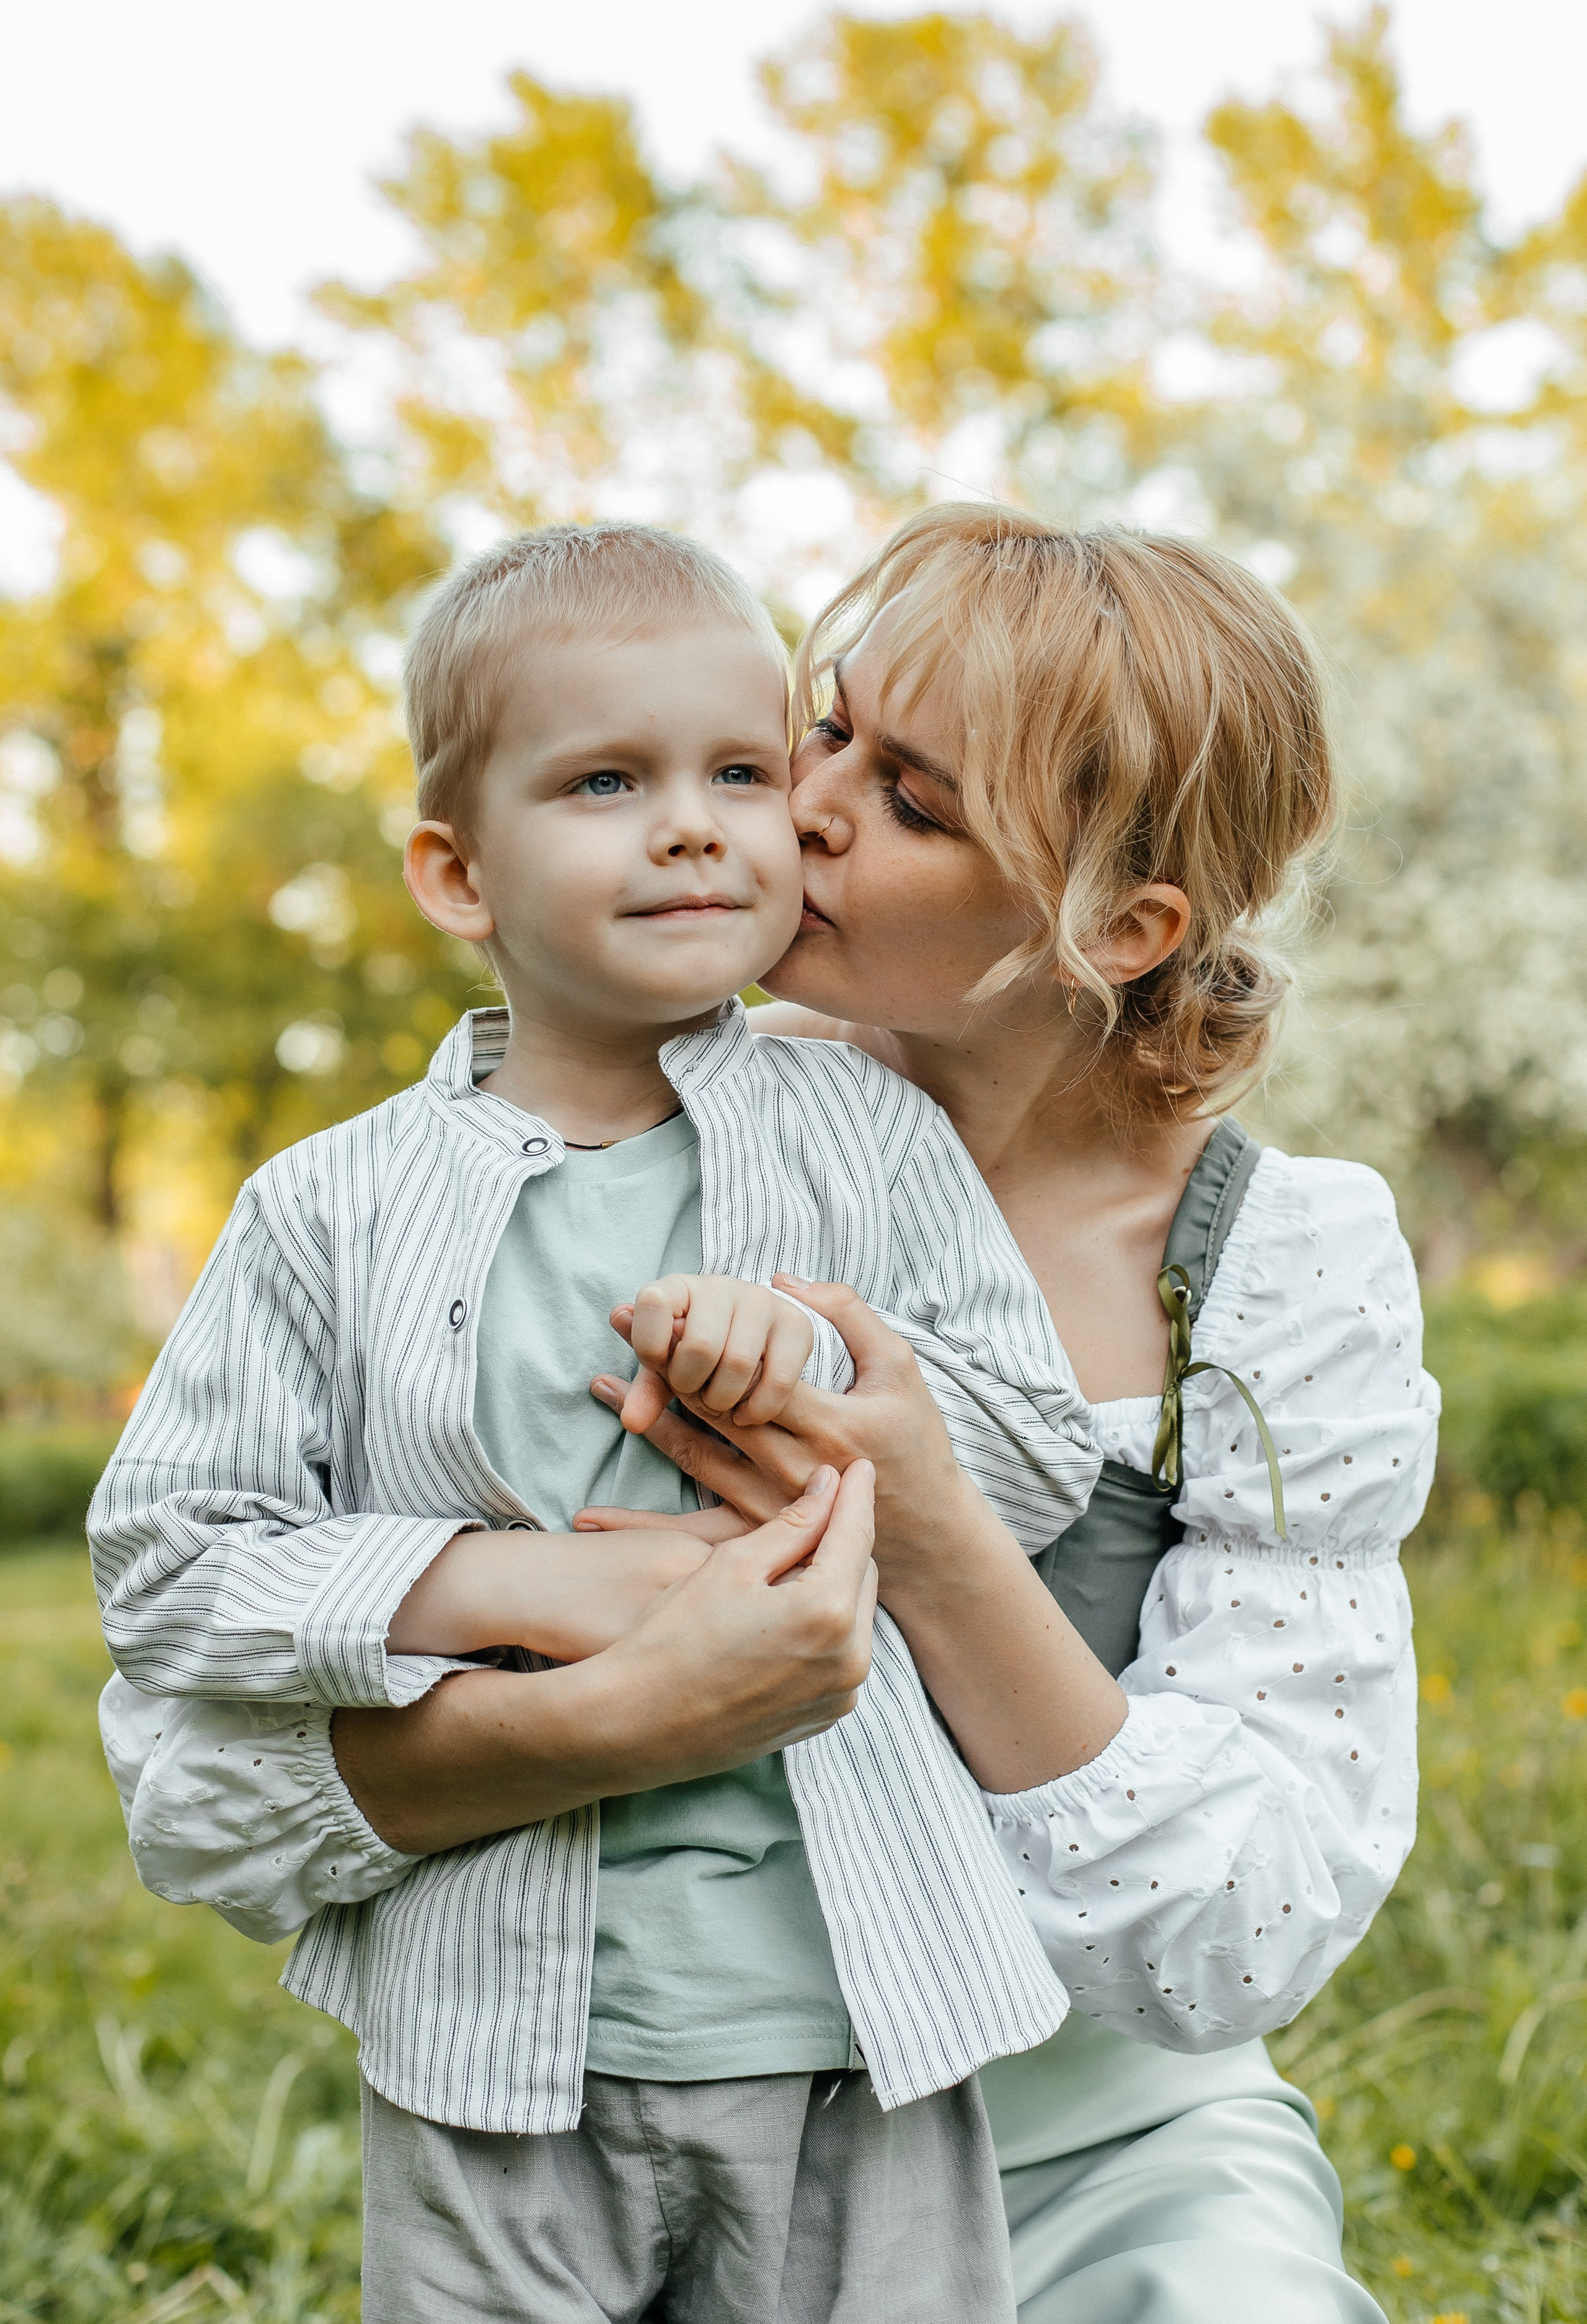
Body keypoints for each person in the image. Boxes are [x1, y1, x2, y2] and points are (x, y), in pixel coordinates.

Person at [103, 507, 1438, 2323]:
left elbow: (1244, 1934)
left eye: (912, 800)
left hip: (1090, 2152)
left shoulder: (1278, 1263)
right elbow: (197, 1777)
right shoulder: (613, 1139)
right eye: (825, 733)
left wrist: (939, 1531)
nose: (798, 810)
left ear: (1119, 925)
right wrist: (611, 1704)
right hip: (626, 2118)